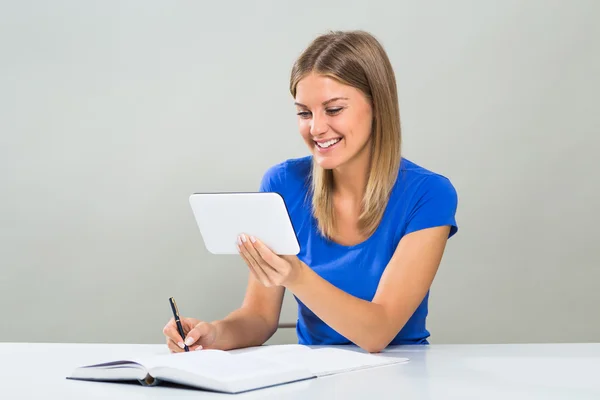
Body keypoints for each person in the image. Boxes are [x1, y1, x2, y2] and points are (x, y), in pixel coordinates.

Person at [164, 30, 458, 353]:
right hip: (316, 378)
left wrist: (296, 275)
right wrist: (214, 334)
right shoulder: (282, 185)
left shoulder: (429, 195)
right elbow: (259, 315)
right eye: (304, 113)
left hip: (404, 375)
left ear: (377, 106)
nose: (316, 128)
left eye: (333, 110)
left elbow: (378, 331)